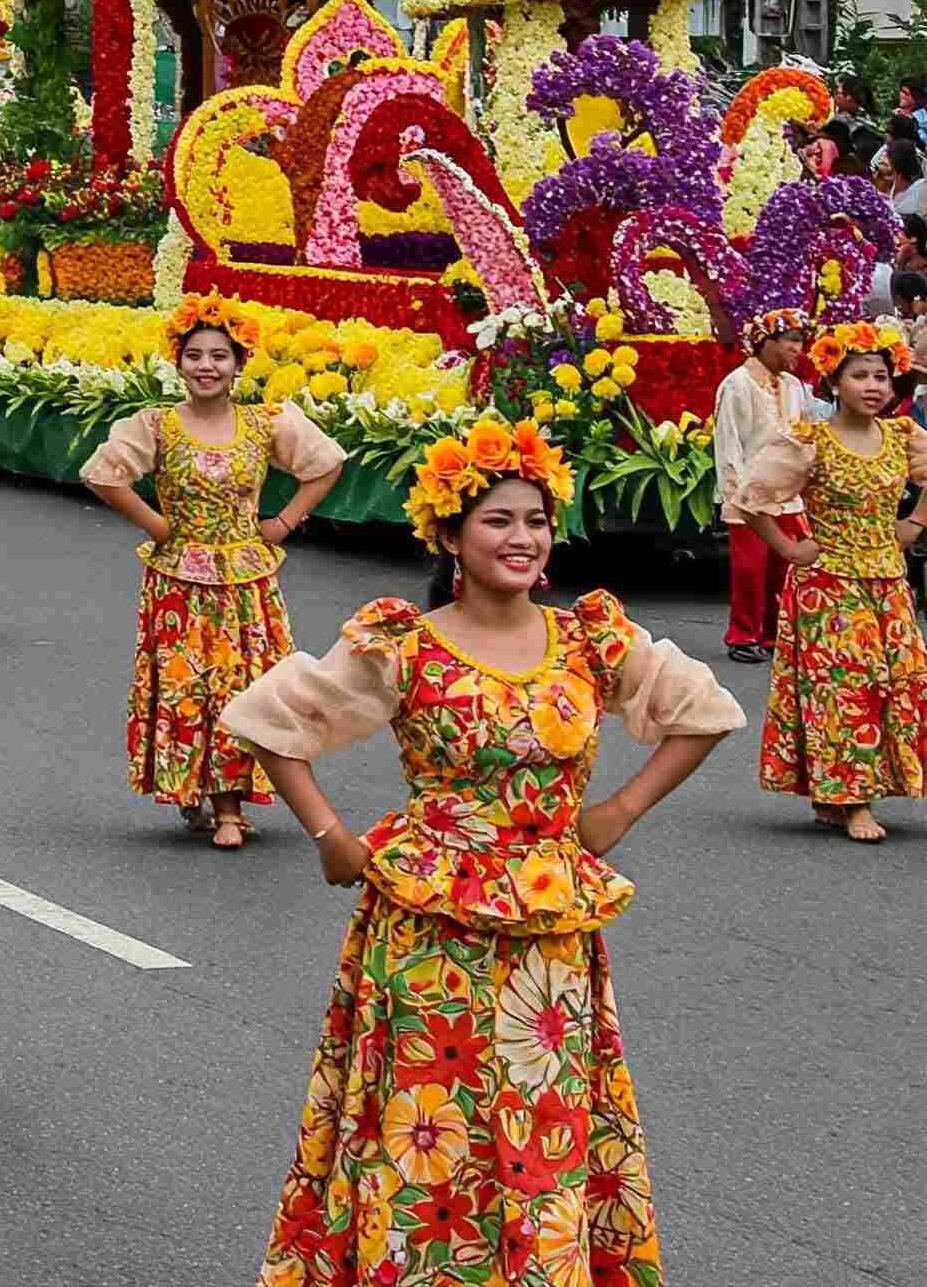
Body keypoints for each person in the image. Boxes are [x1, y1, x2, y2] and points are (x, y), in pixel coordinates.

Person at [222, 417, 743, 1287]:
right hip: (427, 935)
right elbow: (268, 720)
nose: (522, 538)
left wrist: (616, 811)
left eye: (535, 520)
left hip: (550, 933)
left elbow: (706, 712)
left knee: (542, 1124)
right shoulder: (406, 645)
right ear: (450, 536)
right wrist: (329, 838)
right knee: (434, 1128)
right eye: (498, 520)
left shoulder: (589, 640)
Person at [81, 293, 346, 846]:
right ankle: (194, 790)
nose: (207, 366)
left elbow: (326, 464)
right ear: (177, 362)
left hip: (247, 581)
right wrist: (157, 526)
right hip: (179, 581)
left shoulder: (265, 422)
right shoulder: (156, 425)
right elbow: (103, 475)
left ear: (239, 364)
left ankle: (230, 808)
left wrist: (285, 521)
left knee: (241, 686)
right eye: (195, 354)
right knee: (186, 686)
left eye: (219, 356)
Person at [738, 319, 927, 842]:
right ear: (833, 382)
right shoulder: (808, 438)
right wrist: (790, 548)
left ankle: (840, 794)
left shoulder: (902, 435)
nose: (873, 387)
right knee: (844, 689)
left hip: (887, 583)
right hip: (828, 585)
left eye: (882, 377)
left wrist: (913, 523)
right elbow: (751, 499)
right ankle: (851, 800)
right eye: (860, 376)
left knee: (893, 686)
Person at [710, 307, 822, 663]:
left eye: (800, 343)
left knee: (783, 572)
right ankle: (743, 636)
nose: (797, 350)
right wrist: (735, 499)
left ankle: (775, 636)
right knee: (749, 571)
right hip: (749, 498)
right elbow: (728, 446)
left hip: (789, 497)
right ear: (765, 341)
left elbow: (806, 437)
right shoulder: (737, 384)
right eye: (790, 341)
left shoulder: (794, 387)